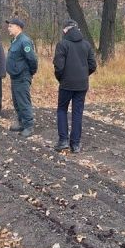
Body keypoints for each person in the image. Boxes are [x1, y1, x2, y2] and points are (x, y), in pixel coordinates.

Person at [52, 19, 97, 153]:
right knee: (77, 113)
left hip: (66, 84)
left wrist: (61, 78)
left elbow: (58, 67)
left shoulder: (62, 44)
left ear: (66, 30)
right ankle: (75, 144)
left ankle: (63, 141)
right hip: (82, 84)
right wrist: (83, 75)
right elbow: (93, 65)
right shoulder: (86, 45)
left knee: (62, 110)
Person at [5, 18, 38, 137]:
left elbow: (32, 59)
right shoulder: (15, 40)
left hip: (22, 76)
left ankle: (29, 126)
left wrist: (30, 72)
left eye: (11, 26)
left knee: (23, 102)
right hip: (15, 76)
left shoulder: (24, 41)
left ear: (18, 27)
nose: (8, 28)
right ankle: (21, 123)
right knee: (17, 102)